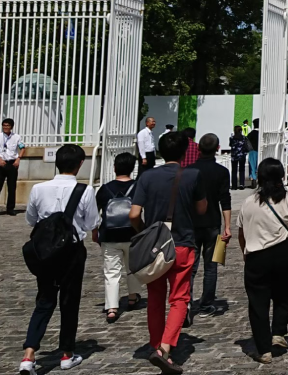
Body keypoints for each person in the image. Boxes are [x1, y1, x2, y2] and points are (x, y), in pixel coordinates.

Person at [130, 131, 207, 374]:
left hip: (155, 246)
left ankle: (155, 344)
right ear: (186, 151)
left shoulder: (147, 176)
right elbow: (202, 209)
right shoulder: (193, 175)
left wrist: (144, 232)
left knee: (155, 298)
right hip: (182, 242)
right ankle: (165, 347)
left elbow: (133, 214)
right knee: (180, 298)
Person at [19, 144, 100, 373]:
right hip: (72, 252)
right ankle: (66, 353)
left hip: (45, 252)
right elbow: (91, 223)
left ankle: (29, 354)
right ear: (80, 164)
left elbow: (31, 219)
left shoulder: (38, 189)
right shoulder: (85, 191)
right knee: (69, 302)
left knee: (44, 300)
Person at [236, 158, 288, 364]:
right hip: (284, 254)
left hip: (256, 256)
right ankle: (278, 332)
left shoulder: (249, 202)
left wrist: (245, 251)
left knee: (258, 303)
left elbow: (241, 233)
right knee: (282, 295)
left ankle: (263, 349)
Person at [185, 133, 231, 320]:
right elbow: (225, 200)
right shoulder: (221, 172)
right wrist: (227, 225)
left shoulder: (189, 170)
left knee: (190, 266)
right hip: (212, 222)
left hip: (192, 223)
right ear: (217, 148)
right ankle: (206, 303)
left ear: (199, 149)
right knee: (210, 266)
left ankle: (185, 301)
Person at [96, 152, 143, 323]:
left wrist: (95, 232)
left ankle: (112, 307)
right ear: (132, 169)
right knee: (132, 267)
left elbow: (96, 213)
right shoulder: (138, 187)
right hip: (132, 233)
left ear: (114, 167)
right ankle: (132, 297)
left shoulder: (105, 188)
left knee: (111, 271)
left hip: (110, 234)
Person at [0, 117, 25, 217]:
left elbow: (22, 148)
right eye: (4, 125)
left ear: (11, 127)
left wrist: (18, 159)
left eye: (7, 126)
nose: (5, 127)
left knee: (12, 187)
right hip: (1, 163)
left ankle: (10, 208)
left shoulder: (16, 137)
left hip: (12, 163)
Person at [229, 125, 248, 190]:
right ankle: (241, 184)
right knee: (242, 170)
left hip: (234, 156)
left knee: (234, 170)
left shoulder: (231, 138)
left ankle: (234, 185)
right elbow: (246, 146)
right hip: (242, 155)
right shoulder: (244, 138)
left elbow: (230, 145)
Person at [247, 119, 259, 186]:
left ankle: (253, 178)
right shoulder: (261, 134)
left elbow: (247, 142)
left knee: (252, 165)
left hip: (252, 151)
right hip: (260, 150)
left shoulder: (251, 134)